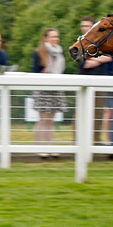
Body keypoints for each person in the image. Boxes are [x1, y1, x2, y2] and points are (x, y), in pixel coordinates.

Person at [31, 28, 68, 157]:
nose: (55, 39)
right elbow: (35, 71)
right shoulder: (38, 53)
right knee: (43, 119)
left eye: (57, 37)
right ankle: (40, 147)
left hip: (56, 88)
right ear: (45, 38)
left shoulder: (59, 53)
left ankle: (50, 146)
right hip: (43, 89)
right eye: (52, 37)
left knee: (51, 120)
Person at [79, 16, 112, 145]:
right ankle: (79, 141)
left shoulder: (100, 41)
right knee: (80, 114)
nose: (84, 29)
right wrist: (100, 59)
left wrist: (95, 60)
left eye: (87, 26)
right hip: (82, 82)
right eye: (83, 26)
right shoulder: (80, 42)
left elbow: (109, 59)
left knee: (97, 113)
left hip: (99, 82)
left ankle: (95, 141)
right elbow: (83, 63)